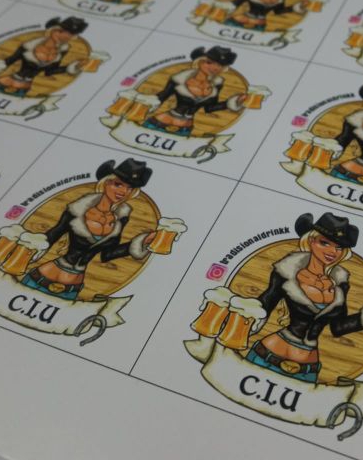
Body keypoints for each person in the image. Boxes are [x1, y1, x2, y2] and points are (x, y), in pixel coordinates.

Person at [243, 212, 363, 383]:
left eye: (339, 248)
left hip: (307, 369)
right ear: (311, 240)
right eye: (324, 243)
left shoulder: (340, 284)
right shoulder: (286, 272)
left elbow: (338, 327)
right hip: (267, 355)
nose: (332, 251)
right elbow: (264, 305)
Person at [20, 159, 157, 300]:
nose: (123, 191)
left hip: (72, 289)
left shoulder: (121, 219)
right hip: (40, 278)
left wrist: (144, 240)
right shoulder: (76, 210)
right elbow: (54, 234)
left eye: (129, 188)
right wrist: (26, 249)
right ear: (106, 182)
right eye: (118, 184)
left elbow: (107, 254)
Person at [144, 46, 245, 136]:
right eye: (209, 62)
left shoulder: (216, 86)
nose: (214, 68)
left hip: (185, 129)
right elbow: (162, 96)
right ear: (199, 61)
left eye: (220, 65)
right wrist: (143, 100)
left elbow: (210, 108)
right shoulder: (178, 80)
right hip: (158, 123)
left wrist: (235, 102)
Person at [0, 16, 88, 97]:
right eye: (61, 32)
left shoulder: (60, 53)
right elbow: (8, 61)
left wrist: (75, 66)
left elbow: (50, 71)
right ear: (52, 30)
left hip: (23, 89)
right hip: (2, 82)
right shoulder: (27, 47)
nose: (64, 36)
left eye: (70, 35)